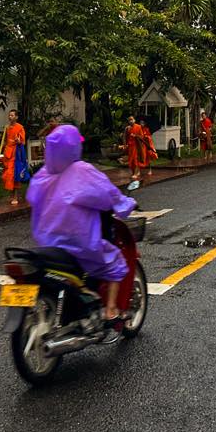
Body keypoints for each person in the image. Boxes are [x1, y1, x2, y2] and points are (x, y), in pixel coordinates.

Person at [26, 124, 136, 322]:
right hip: (80, 242)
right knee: (116, 263)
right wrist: (127, 204)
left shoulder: (43, 174)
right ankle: (111, 310)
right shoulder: (82, 171)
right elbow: (108, 194)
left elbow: (32, 198)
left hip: (49, 242)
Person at [0, 109, 27, 206]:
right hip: (8, 152)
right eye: (9, 115)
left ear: (16, 117)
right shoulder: (7, 127)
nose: (10, 117)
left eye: (12, 115)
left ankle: (15, 196)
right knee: (7, 175)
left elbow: (22, 142)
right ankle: (12, 195)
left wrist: (18, 140)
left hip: (16, 153)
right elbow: (4, 141)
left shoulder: (20, 127)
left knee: (14, 175)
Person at [124, 115, 145, 184]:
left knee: (135, 159)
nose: (131, 121)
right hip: (130, 147)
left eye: (132, 119)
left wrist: (135, 136)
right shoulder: (127, 128)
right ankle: (134, 173)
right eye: (129, 120)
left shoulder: (138, 127)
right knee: (131, 161)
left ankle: (136, 173)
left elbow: (142, 137)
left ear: (134, 120)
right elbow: (125, 137)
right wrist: (125, 145)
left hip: (136, 146)